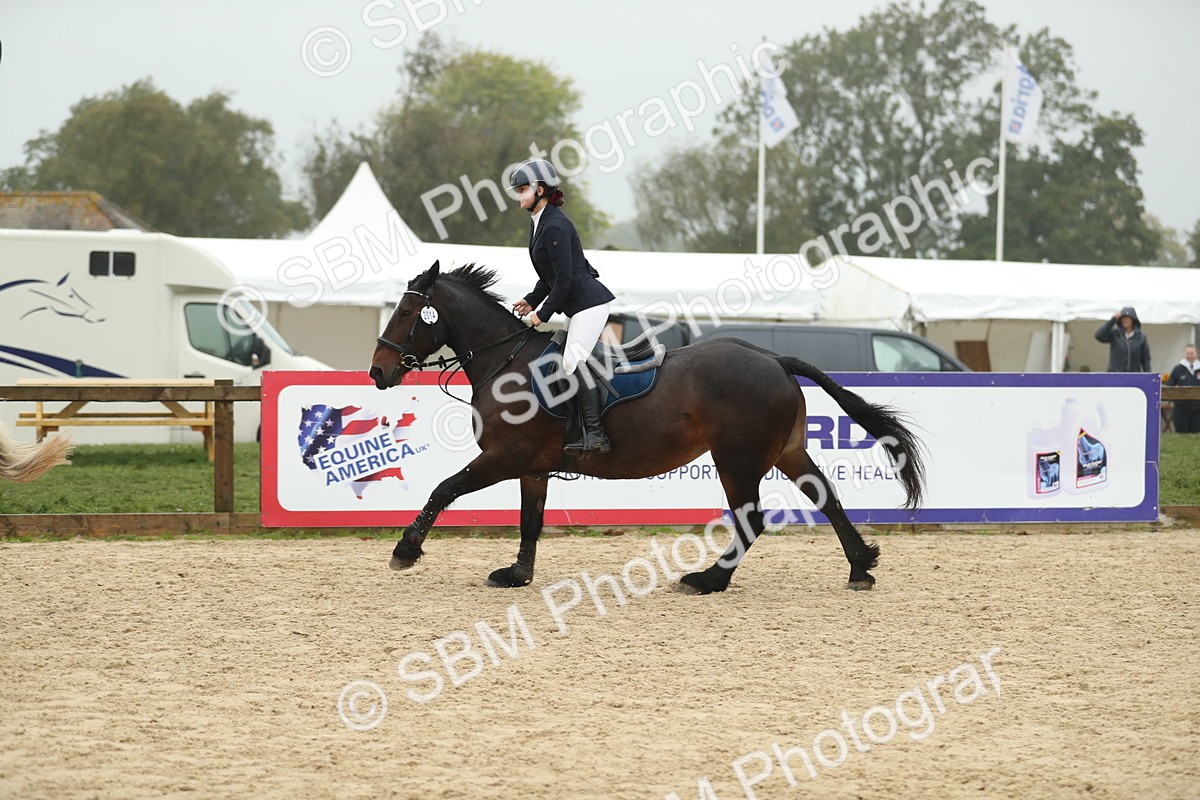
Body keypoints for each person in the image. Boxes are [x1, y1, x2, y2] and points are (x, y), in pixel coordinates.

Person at [509, 158, 616, 457]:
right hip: (577, 306)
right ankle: (572, 426)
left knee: (571, 362)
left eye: (522, 189)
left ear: (540, 190)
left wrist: (541, 315)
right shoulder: (540, 221)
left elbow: (565, 280)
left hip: (589, 305)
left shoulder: (555, 225)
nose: (518, 194)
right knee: (557, 355)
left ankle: (596, 434)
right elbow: (550, 276)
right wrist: (531, 300)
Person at [1094, 307, 1152, 373]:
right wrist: (1112, 320)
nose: (1125, 320)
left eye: (1127, 318)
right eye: (1123, 318)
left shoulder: (1141, 336)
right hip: (1115, 374)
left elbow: (1145, 359)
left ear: (1133, 319)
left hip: (1133, 375)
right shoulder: (1115, 334)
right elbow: (1099, 335)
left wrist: (1148, 375)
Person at [1166, 344, 1200, 433]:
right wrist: (1177, 401)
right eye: (1187, 353)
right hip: (1181, 410)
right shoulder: (1178, 369)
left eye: (1192, 353)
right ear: (1184, 354)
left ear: (1196, 353)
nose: (1190, 356)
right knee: (1181, 435)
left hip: (1198, 410)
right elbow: (1169, 387)